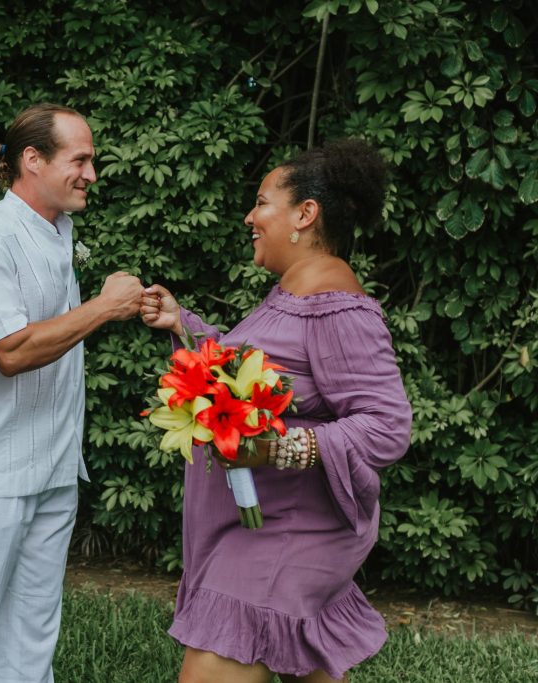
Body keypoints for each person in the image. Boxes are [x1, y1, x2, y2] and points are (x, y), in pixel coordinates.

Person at [141, 139, 412, 683]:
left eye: (262, 202)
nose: (250, 216)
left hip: (289, 533)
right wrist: (183, 325)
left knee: (223, 647)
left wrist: (275, 449)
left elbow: (387, 427)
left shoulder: (336, 306)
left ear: (304, 215)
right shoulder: (295, 292)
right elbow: (257, 378)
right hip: (266, 525)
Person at [0, 103, 144, 682]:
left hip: (54, 465)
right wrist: (104, 307)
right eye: (80, 160)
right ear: (32, 160)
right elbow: (10, 352)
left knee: (32, 632)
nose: (92, 173)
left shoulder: (59, 230)